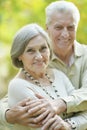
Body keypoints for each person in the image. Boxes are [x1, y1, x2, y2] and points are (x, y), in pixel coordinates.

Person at [0, 0, 87, 130]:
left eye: (70, 27)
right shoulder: (39, 64)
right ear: (47, 28)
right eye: (58, 27)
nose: (65, 34)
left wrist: (63, 107)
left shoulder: (58, 73)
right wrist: (7, 115)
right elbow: (14, 93)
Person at [7, 23, 76, 130]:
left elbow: (82, 109)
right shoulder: (18, 86)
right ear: (19, 55)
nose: (39, 57)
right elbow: (51, 127)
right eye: (30, 51)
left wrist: (69, 125)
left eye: (43, 48)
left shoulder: (59, 75)